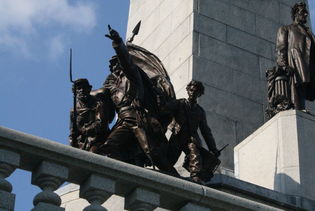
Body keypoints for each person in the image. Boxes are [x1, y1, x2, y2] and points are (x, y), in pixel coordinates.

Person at [99, 25, 178, 175]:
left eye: (116, 64)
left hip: (137, 118)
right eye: (112, 65)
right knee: (109, 146)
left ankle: (173, 176)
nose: (114, 67)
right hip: (123, 120)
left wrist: (118, 43)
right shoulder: (111, 85)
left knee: (150, 151)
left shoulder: (132, 76)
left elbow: (127, 62)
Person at [164, 80, 220, 183]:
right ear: (188, 90)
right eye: (191, 90)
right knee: (169, 159)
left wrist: (213, 148)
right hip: (178, 136)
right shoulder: (179, 103)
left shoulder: (200, 111)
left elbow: (206, 131)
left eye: (196, 91)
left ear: (199, 94)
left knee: (195, 153)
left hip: (191, 138)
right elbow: (165, 111)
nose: (193, 92)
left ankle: (195, 176)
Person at [69, 79, 111, 152]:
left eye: (84, 88)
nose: (81, 90)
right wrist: (72, 145)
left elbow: (101, 124)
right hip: (82, 144)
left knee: (92, 154)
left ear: (89, 89)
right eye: (79, 88)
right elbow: (73, 132)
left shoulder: (98, 104)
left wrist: (85, 130)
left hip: (98, 140)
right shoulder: (74, 111)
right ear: (75, 92)